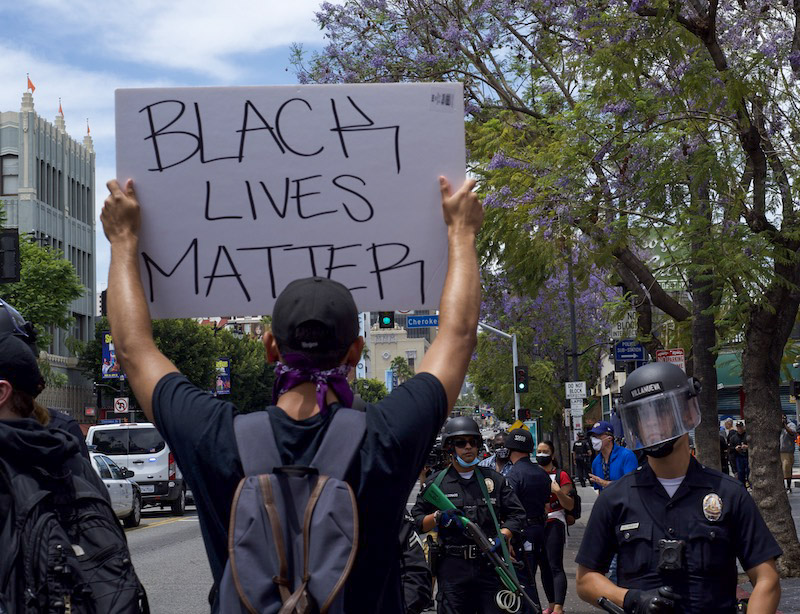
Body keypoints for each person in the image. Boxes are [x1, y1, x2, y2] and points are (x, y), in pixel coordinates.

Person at [101, 175, 483, 613]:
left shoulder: (216, 435)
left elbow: (132, 349)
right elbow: (458, 335)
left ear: (269, 347)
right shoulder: (387, 435)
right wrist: (461, 232)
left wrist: (123, 238)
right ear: (356, 352)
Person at [576, 361, 782, 613]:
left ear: (686, 412)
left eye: (660, 411)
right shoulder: (615, 498)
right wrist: (630, 598)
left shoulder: (729, 494)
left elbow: (766, 578)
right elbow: (586, 580)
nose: (651, 424)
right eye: (642, 416)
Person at [410, 416, 526, 614]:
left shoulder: (494, 481)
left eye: (473, 442)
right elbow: (417, 522)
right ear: (449, 447)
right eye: (461, 443)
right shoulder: (436, 484)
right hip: (453, 569)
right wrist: (438, 517)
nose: (468, 447)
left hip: (489, 566)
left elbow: (517, 515)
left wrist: (503, 536)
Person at [504, 428, 552, 613]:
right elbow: (547, 505)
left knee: (523, 581)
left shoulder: (513, 475)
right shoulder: (541, 473)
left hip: (522, 534)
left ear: (510, 449)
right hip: (541, 529)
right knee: (542, 574)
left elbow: (510, 510)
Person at [534, 440, 574, 614]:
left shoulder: (560, 475)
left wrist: (557, 491)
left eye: (545, 451)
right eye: (539, 451)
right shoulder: (533, 473)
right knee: (543, 566)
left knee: (555, 565)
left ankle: (559, 606)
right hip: (537, 523)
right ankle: (551, 603)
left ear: (552, 455)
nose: (541, 454)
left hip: (554, 522)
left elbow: (569, 504)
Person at [587, 420, 638, 491]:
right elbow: (600, 491)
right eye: (593, 436)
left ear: (609, 438)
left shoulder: (627, 456)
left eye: (598, 436)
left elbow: (631, 484)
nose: (594, 440)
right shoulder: (596, 462)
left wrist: (605, 483)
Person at [729, 421, 749, 488]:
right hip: (739, 457)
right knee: (740, 474)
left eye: (740, 427)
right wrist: (735, 448)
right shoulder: (733, 438)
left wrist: (747, 447)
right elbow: (730, 449)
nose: (739, 429)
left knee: (749, 474)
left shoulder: (747, 436)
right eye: (738, 427)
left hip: (747, 457)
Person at [780, 414, 796, 492]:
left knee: (787, 469)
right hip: (778, 452)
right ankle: (781, 486)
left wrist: (785, 425)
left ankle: (788, 486)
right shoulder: (777, 426)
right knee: (779, 470)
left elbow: (792, 433)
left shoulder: (791, 425)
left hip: (787, 452)